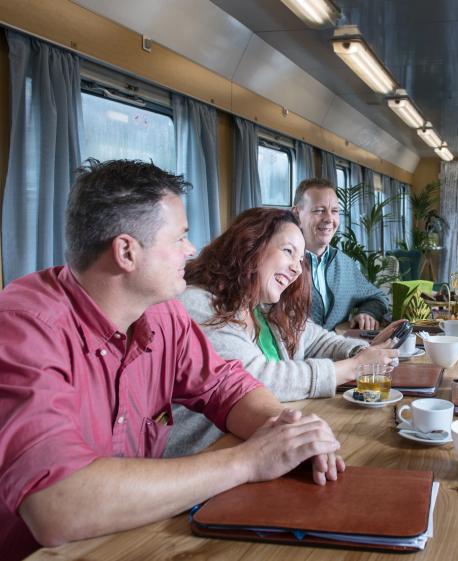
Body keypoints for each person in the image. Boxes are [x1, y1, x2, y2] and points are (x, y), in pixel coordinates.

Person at [0, 160, 343, 561]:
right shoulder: (23, 328)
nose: (191, 249)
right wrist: (246, 462)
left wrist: (289, 431)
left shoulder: (164, 315)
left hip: (131, 539)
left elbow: (228, 388)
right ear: (126, 252)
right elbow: (57, 505)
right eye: (180, 237)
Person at [165, 207, 402, 456]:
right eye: (288, 251)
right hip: (206, 460)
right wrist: (354, 367)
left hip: (263, 445)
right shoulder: (198, 305)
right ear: (250, 245)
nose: (297, 269)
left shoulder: (262, 306)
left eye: (300, 260)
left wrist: (364, 352)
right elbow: (254, 381)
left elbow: (318, 339)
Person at [293, 178, 390, 331]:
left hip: (339, 346)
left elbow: (378, 297)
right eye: (319, 210)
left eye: (334, 211)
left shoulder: (345, 264)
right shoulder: (283, 263)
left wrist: (368, 313)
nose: (329, 219)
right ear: (297, 215)